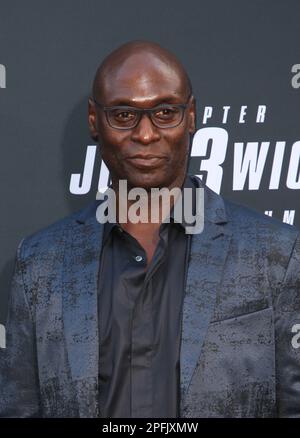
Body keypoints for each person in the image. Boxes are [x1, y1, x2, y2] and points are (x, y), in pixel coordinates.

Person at [0, 40, 300, 418]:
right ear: (95, 121)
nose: (145, 134)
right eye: (124, 115)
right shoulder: (40, 263)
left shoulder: (277, 253)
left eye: (164, 112)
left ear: (190, 116)